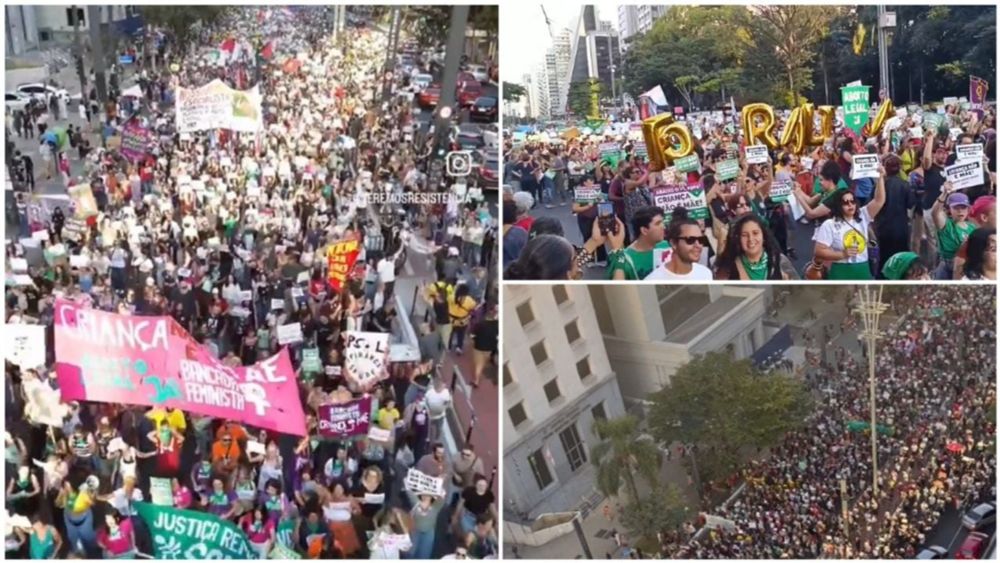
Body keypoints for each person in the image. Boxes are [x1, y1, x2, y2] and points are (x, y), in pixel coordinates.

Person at [811, 165, 887, 280]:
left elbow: (879, 200)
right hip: (841, 271)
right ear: (838, 206)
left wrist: (880, 177)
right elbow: (819, 252)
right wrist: (842, 255)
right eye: (845, 203)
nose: (850, 205)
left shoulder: (862, 216)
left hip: (863, 269)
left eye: (852, 201)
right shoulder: (829, 225)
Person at [713, 214, 797, 280]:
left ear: (763, 236)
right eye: (744, 235)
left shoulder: (779, 260)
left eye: (755, 233)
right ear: (738, 239)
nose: (750, 239)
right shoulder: (728, 267)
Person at [607, 205, 670, 280]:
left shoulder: (668, 246)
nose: (663, 227)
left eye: (662, 222)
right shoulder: (625, 259)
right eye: (658, 224)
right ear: (644, 230)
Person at [646, 210, 713, 280]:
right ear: (674, 243)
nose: (698, 245)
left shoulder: (705, 273)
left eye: (701, 240)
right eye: (690, 240)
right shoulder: (653, 280)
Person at [931, 189, 976, 280]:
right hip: (947, 265)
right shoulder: (946, 224)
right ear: (949, 209)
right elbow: (935, 213)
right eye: (956, 208)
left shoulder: (972, 227)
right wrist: (944, 193)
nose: (960, 211)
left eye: (963, 207)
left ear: (968, 209)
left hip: (965, 265)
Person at [469, 305, 497, 388]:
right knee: (482, 364)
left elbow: (472, 335)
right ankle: (478, 377)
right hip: (489, 348)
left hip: (478, 346)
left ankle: (476, 381)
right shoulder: (497, 325)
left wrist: (474, 339)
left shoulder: (480, 324)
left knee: (478, 364)